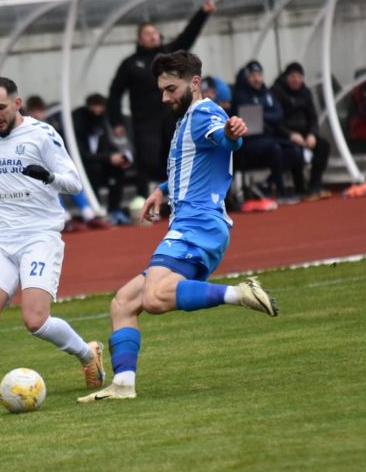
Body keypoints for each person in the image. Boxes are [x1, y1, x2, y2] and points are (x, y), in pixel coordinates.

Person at [78, 51, 279, 403]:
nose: (165, 97)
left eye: (171, 88)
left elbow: (225, 138)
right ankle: (123, 385)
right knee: (123, 303)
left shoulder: (203, 112)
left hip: (197, 225)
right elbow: (192, 164)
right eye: (162, 90)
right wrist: (162, 190)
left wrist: (234, 134)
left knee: (154, 298)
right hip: (193, 225)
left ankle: (240, 293)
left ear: (195, 83)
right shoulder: (186, 117)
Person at [0, 76, 106, 409]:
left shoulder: (42, 134)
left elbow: (74, 183)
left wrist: (48, 177)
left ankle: (88, 354)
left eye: (1, 107)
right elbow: (1, 180)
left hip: (38, 236)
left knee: (35, 321)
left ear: (17, 103)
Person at [108, 0, 216, 197]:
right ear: (139, 39)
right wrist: (115, 120)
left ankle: (177, 196)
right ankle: (143, 199)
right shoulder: (130, 64)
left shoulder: (168, 56)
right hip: (144, 121)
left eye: (154, 32)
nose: (152, 36)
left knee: (175, 155)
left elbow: (187, 37)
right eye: (147, 34)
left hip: (170, 116)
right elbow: (115, 93)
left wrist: (203, 13)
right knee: (147, 160)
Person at [25, 95, 109, 231]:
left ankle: (88, 214)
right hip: (35, 171)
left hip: (52, 164)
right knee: (50, 182)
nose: (38, 115)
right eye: (34, 111)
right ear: (28, 112)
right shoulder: (24, 129)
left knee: (70, 178)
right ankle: (65, 219)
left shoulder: (49, 127)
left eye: (40, 111)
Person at [232, 60, 296, 200]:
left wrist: (261, 115)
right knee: (275, 149)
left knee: (294, 150)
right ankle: (279, 190)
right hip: (249, 142)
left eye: (259, 75)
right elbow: (248, 118)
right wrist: (267, 116)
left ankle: (268, 183)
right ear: (247, 77)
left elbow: (279, 115)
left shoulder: (267, 93)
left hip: (270, 137)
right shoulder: (241, 95)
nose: (257, 79)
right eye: (253, 75)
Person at [271, 62, 335, 198]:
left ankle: (314, 185)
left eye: (299, 77)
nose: (296, 80)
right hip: (285, 135)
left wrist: (312, 134)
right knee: (295, 150)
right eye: (293, 76)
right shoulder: (277, 92)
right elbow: (275, 121)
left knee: (323, 145)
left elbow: (313, 117)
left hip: (305, 133)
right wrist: (290, 134)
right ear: (286, 77)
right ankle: (299, 186)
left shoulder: (305, 92)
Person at [73, 93, 132, 224]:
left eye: (101, 110)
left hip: (99, 163)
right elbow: (83, 155)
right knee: (93, 169)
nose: (98, 114)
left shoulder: (101, 125)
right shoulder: (78, 126)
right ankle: (96, 210)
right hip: (83, 167)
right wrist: (109, 157)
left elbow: (107, 146)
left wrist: (120, 157)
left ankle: (114, 209)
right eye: (95, 110)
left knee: (117, 169)